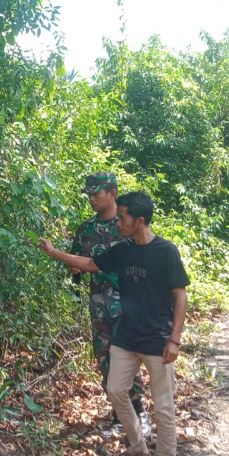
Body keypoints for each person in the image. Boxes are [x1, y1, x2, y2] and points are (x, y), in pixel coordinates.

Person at [39, 192, 189, 456]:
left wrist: (175, 339)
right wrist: (54, 252)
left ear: (140, 220)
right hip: (127, 336)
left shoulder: (165, 251)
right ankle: (137, 446)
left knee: (163, 405)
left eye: (123, 218)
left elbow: (180, 295)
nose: (118, 222)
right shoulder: (124, 249)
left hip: (158, 340)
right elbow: (90, 264)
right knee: (115, 389)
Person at [71, 172, 148, 437]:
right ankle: (119, 418)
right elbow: (77, 263)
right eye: (89, 194)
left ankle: (140, 414)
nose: (91, 198)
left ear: (112, 193)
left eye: (96, 193)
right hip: (100, 307)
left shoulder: (129, 224)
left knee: (128, 360)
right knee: (106, 360)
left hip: (130, 307)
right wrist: (74, 276)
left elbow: (147, 259)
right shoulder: (86, 230)